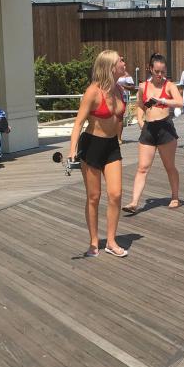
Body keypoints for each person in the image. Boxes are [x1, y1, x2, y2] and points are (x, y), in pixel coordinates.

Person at [69, 50, 129, 258]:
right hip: (92, 145)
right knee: (94, 196)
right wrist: (71, 151)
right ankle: (94, 242)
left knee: (116, 194)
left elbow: (119, 118)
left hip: (112, 146)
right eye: (120, 60)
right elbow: (78, 123)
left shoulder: (120, 90)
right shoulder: (93, 92)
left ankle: (111, 241)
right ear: (111, 67)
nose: (124, 62)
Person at [122, 54, 182, 213]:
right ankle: (134, 202)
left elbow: (180, 102)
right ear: (150, 69)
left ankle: (175, 196)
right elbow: (140, 105)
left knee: (169, 166)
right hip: (149, 129)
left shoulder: (169, 86)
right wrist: (140, 121)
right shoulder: (143, 86)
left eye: (163, 71)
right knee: (142, 167)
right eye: (157, 71)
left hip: (165, 128)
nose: (160, 75)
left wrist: (163, 101)